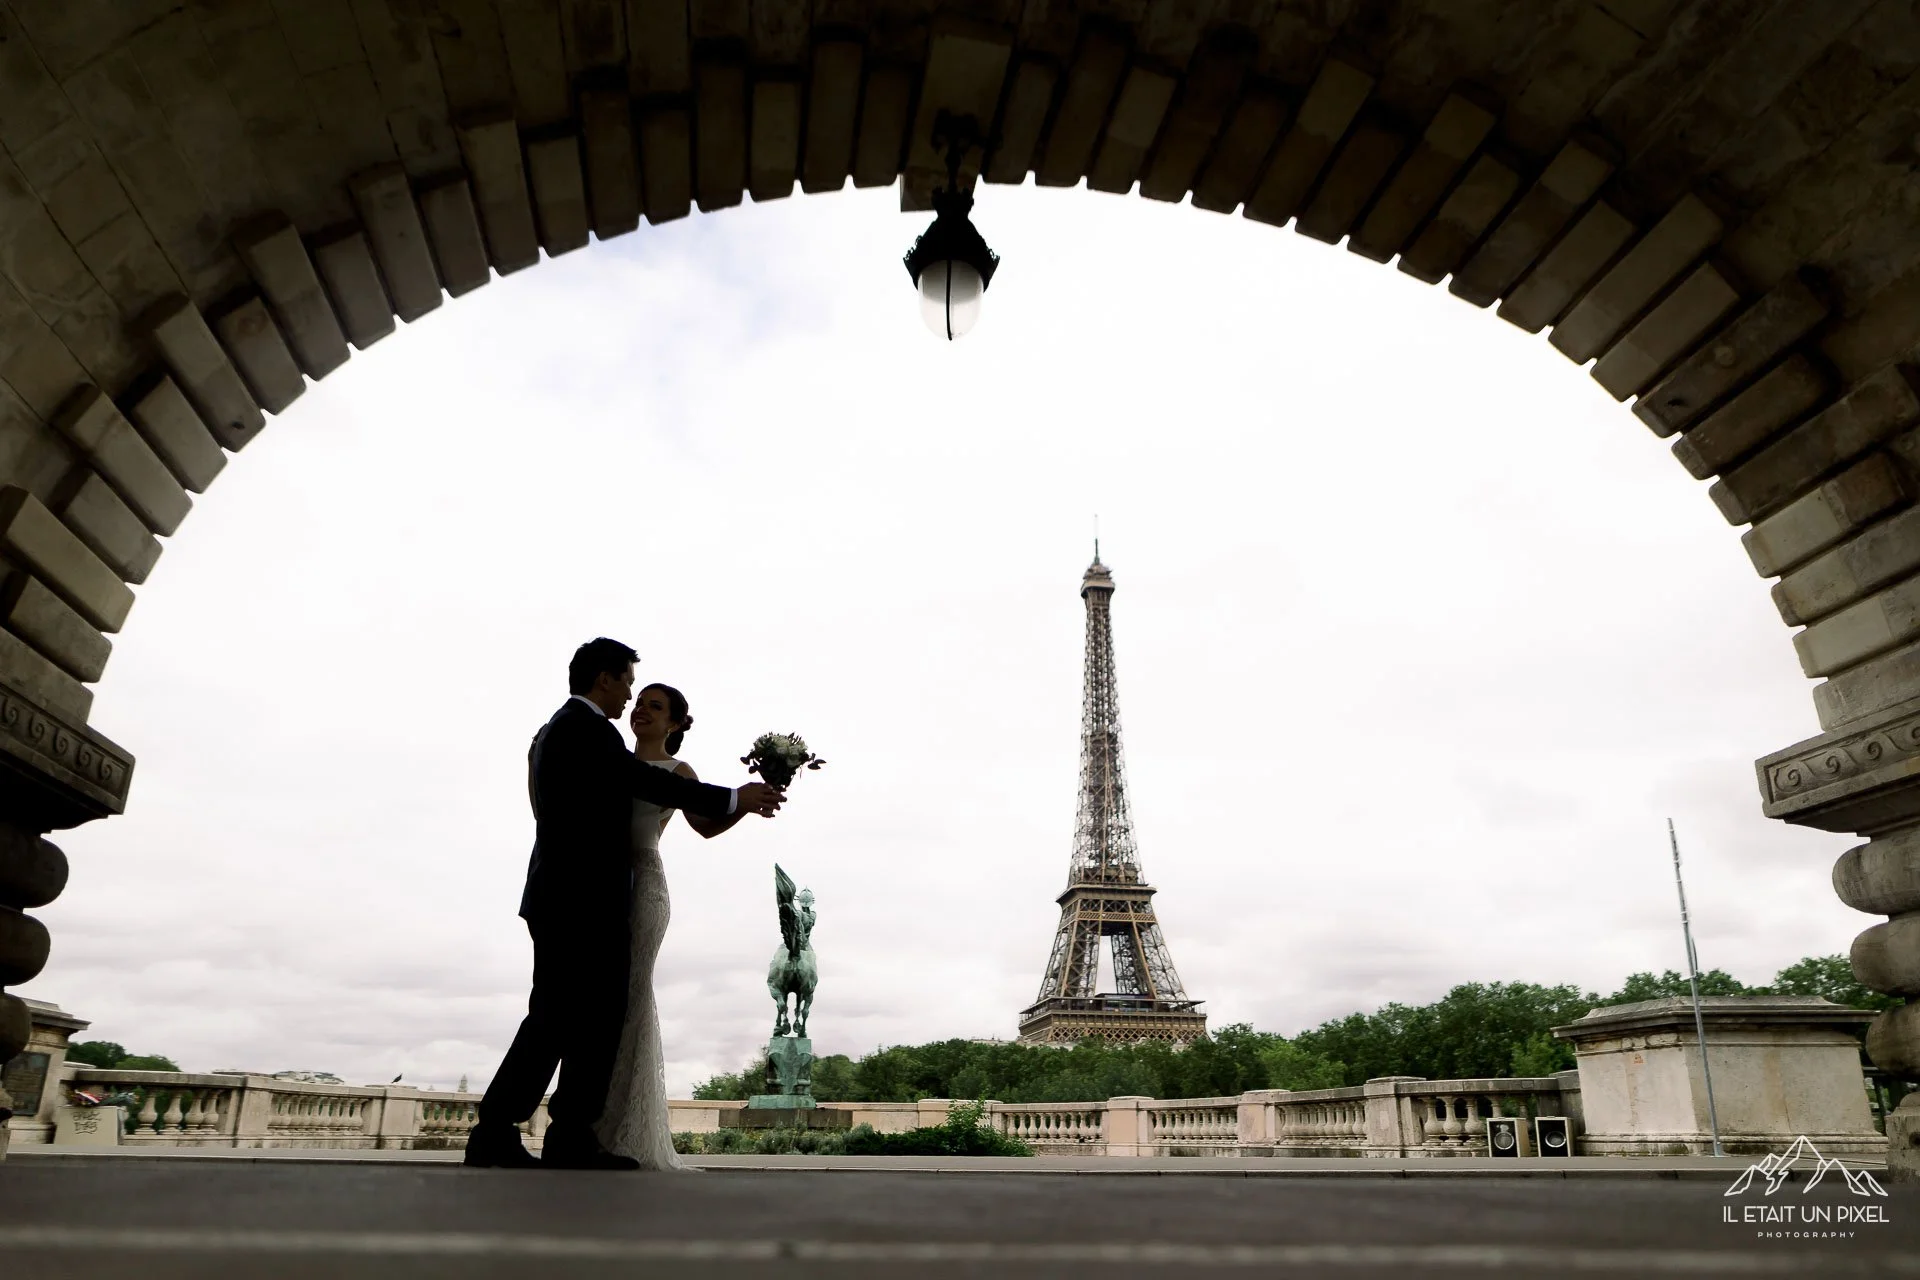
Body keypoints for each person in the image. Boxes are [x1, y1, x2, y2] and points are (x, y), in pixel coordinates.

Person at [466, 639, 784, 1170]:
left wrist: (738, 804)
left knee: (579, 1019)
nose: (631, 697)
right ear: (606, 679)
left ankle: (560, 1136)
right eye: (629, 685)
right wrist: (734, 796)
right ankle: (514, 1132)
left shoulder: (557, 732)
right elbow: (637, 780)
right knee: (567, 1019)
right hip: (583, 899)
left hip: (572, 894)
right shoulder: (585, 730)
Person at [595, 682, 749, 1169]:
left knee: (631, 997)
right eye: (638, 702)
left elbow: (705, 824)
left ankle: (621, 1128)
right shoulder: (608, 754)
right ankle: (589, 1125)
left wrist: (744, 803)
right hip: (596, 888)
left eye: (655, 706)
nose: (640, 710)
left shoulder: (677, 772)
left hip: (643, 886)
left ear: (677, 723)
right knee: (596, 1003)